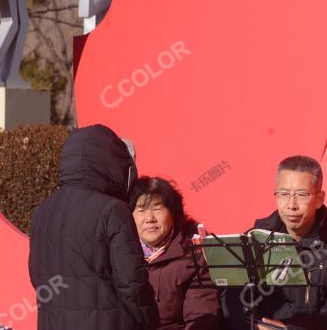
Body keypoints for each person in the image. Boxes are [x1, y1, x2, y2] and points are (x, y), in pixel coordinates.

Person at [29, 124, 159, 330]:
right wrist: (151, 321)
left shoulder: (44, 210)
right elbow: (132, 283)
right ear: (110, 163)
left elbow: (36, 274)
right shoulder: (113, 209)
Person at [222, 155, 327, 330]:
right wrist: (254, 326)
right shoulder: (254, 239)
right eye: (284, 194)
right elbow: (233, 299)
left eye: (302, 195)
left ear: (320, 199)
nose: (291, 205)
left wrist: (289, 329)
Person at [129, 177, 221, 330]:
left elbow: (201, 318)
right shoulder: (119, 254)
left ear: (173, 213)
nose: (149, 218)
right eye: (141, 210)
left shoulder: (195, 257)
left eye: (157, 209)